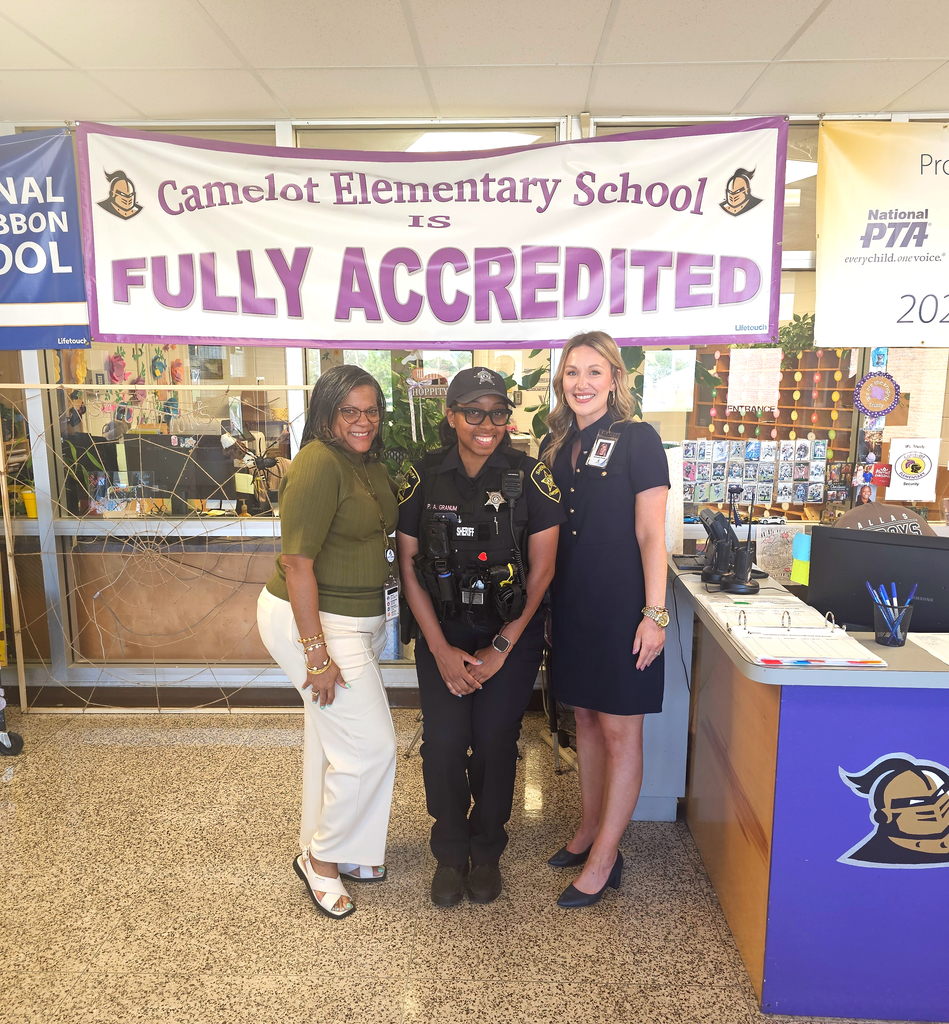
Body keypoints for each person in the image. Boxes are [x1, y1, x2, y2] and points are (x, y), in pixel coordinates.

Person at [397, 367, 564, 907]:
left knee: (494, 743)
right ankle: (449, 854)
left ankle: (487, 852)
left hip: (508, 641)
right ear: (451, 417)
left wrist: (500, 648)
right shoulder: (424, 477)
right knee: (443, 744)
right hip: (442, 635)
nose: (486, 423)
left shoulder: (530, 475)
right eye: (473, 412)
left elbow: (542, 571)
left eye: (497, 412)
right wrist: (442, 651)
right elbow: (409, 565)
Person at [257, 365, 398, 921]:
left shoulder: (363, 463)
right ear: (326, 415)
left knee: (337, 742)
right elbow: (296, 563)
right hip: (316, 623)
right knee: (372, 747)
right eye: (350, 412)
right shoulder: (318, 462)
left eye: (371, 411)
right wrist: (316, 653)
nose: (363, 421)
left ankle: (354, 848)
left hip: (353, 621)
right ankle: (319, 859)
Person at [540, 331, 670, 908]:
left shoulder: (638, 439)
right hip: (573, 604)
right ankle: (591, 830)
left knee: (621, 730)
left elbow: (651, 533)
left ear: (616, 379)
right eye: (572, 372)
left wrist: (655, 613)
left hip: (623, 606)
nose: (582, 383)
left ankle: (605, 857)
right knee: (586, 721)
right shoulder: (558, 444)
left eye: (595, 372)